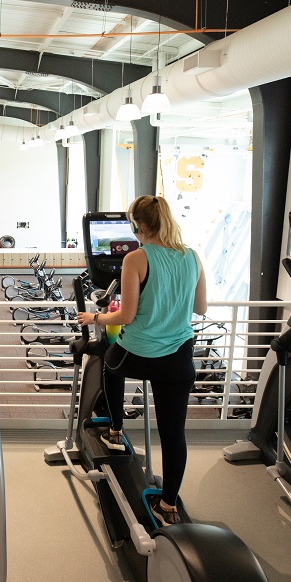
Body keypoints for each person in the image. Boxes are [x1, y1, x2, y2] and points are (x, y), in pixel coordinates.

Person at [76, 195, 207, 528]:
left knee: (108, 359)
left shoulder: (136, 258)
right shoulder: (192, 256)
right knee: (173, 433)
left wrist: (94, 317)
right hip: (178, 358)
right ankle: (168, 504)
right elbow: (201, 307)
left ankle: (116, 430)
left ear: (137, 225)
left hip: (138, 356)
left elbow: (127, 315)